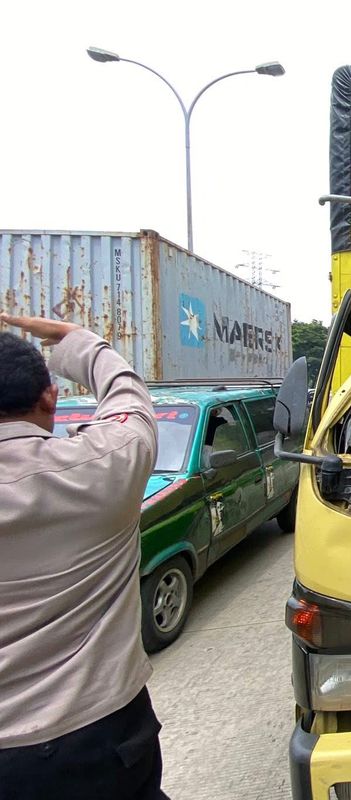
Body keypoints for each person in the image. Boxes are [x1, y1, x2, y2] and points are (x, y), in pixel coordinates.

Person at [0, 313, 167, 800]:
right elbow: (128, 399)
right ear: (50, 399)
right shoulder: (103, 469)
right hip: (105, 737)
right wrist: (81, 343)